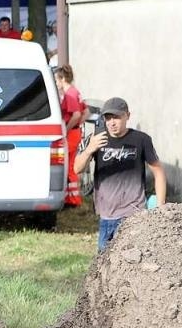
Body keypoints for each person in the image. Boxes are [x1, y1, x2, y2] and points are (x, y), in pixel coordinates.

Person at [76, 97, 165, 252]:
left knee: (131, 258)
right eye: (108, 118)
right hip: (106, 216)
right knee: (105, 261)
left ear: (127, 116)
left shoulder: (141, 140)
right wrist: (89, 149)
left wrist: (160, 207)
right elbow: (77, 169)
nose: (112, 122)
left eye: (116, 117)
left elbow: (159, 172)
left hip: (133, 215)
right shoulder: (96, 140)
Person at [54, 65, 86, 207]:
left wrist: (66, 129)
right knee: (70, 165)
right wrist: (78, 125)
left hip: (71, 133)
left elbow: (77, 114)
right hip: (75, 132)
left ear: (62, 79)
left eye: (56, 80)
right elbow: (86, 112)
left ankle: (73, 200)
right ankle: (72, 198)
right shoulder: (75, 92)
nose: (56, 84)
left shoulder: (69, 94)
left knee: (68, 166)